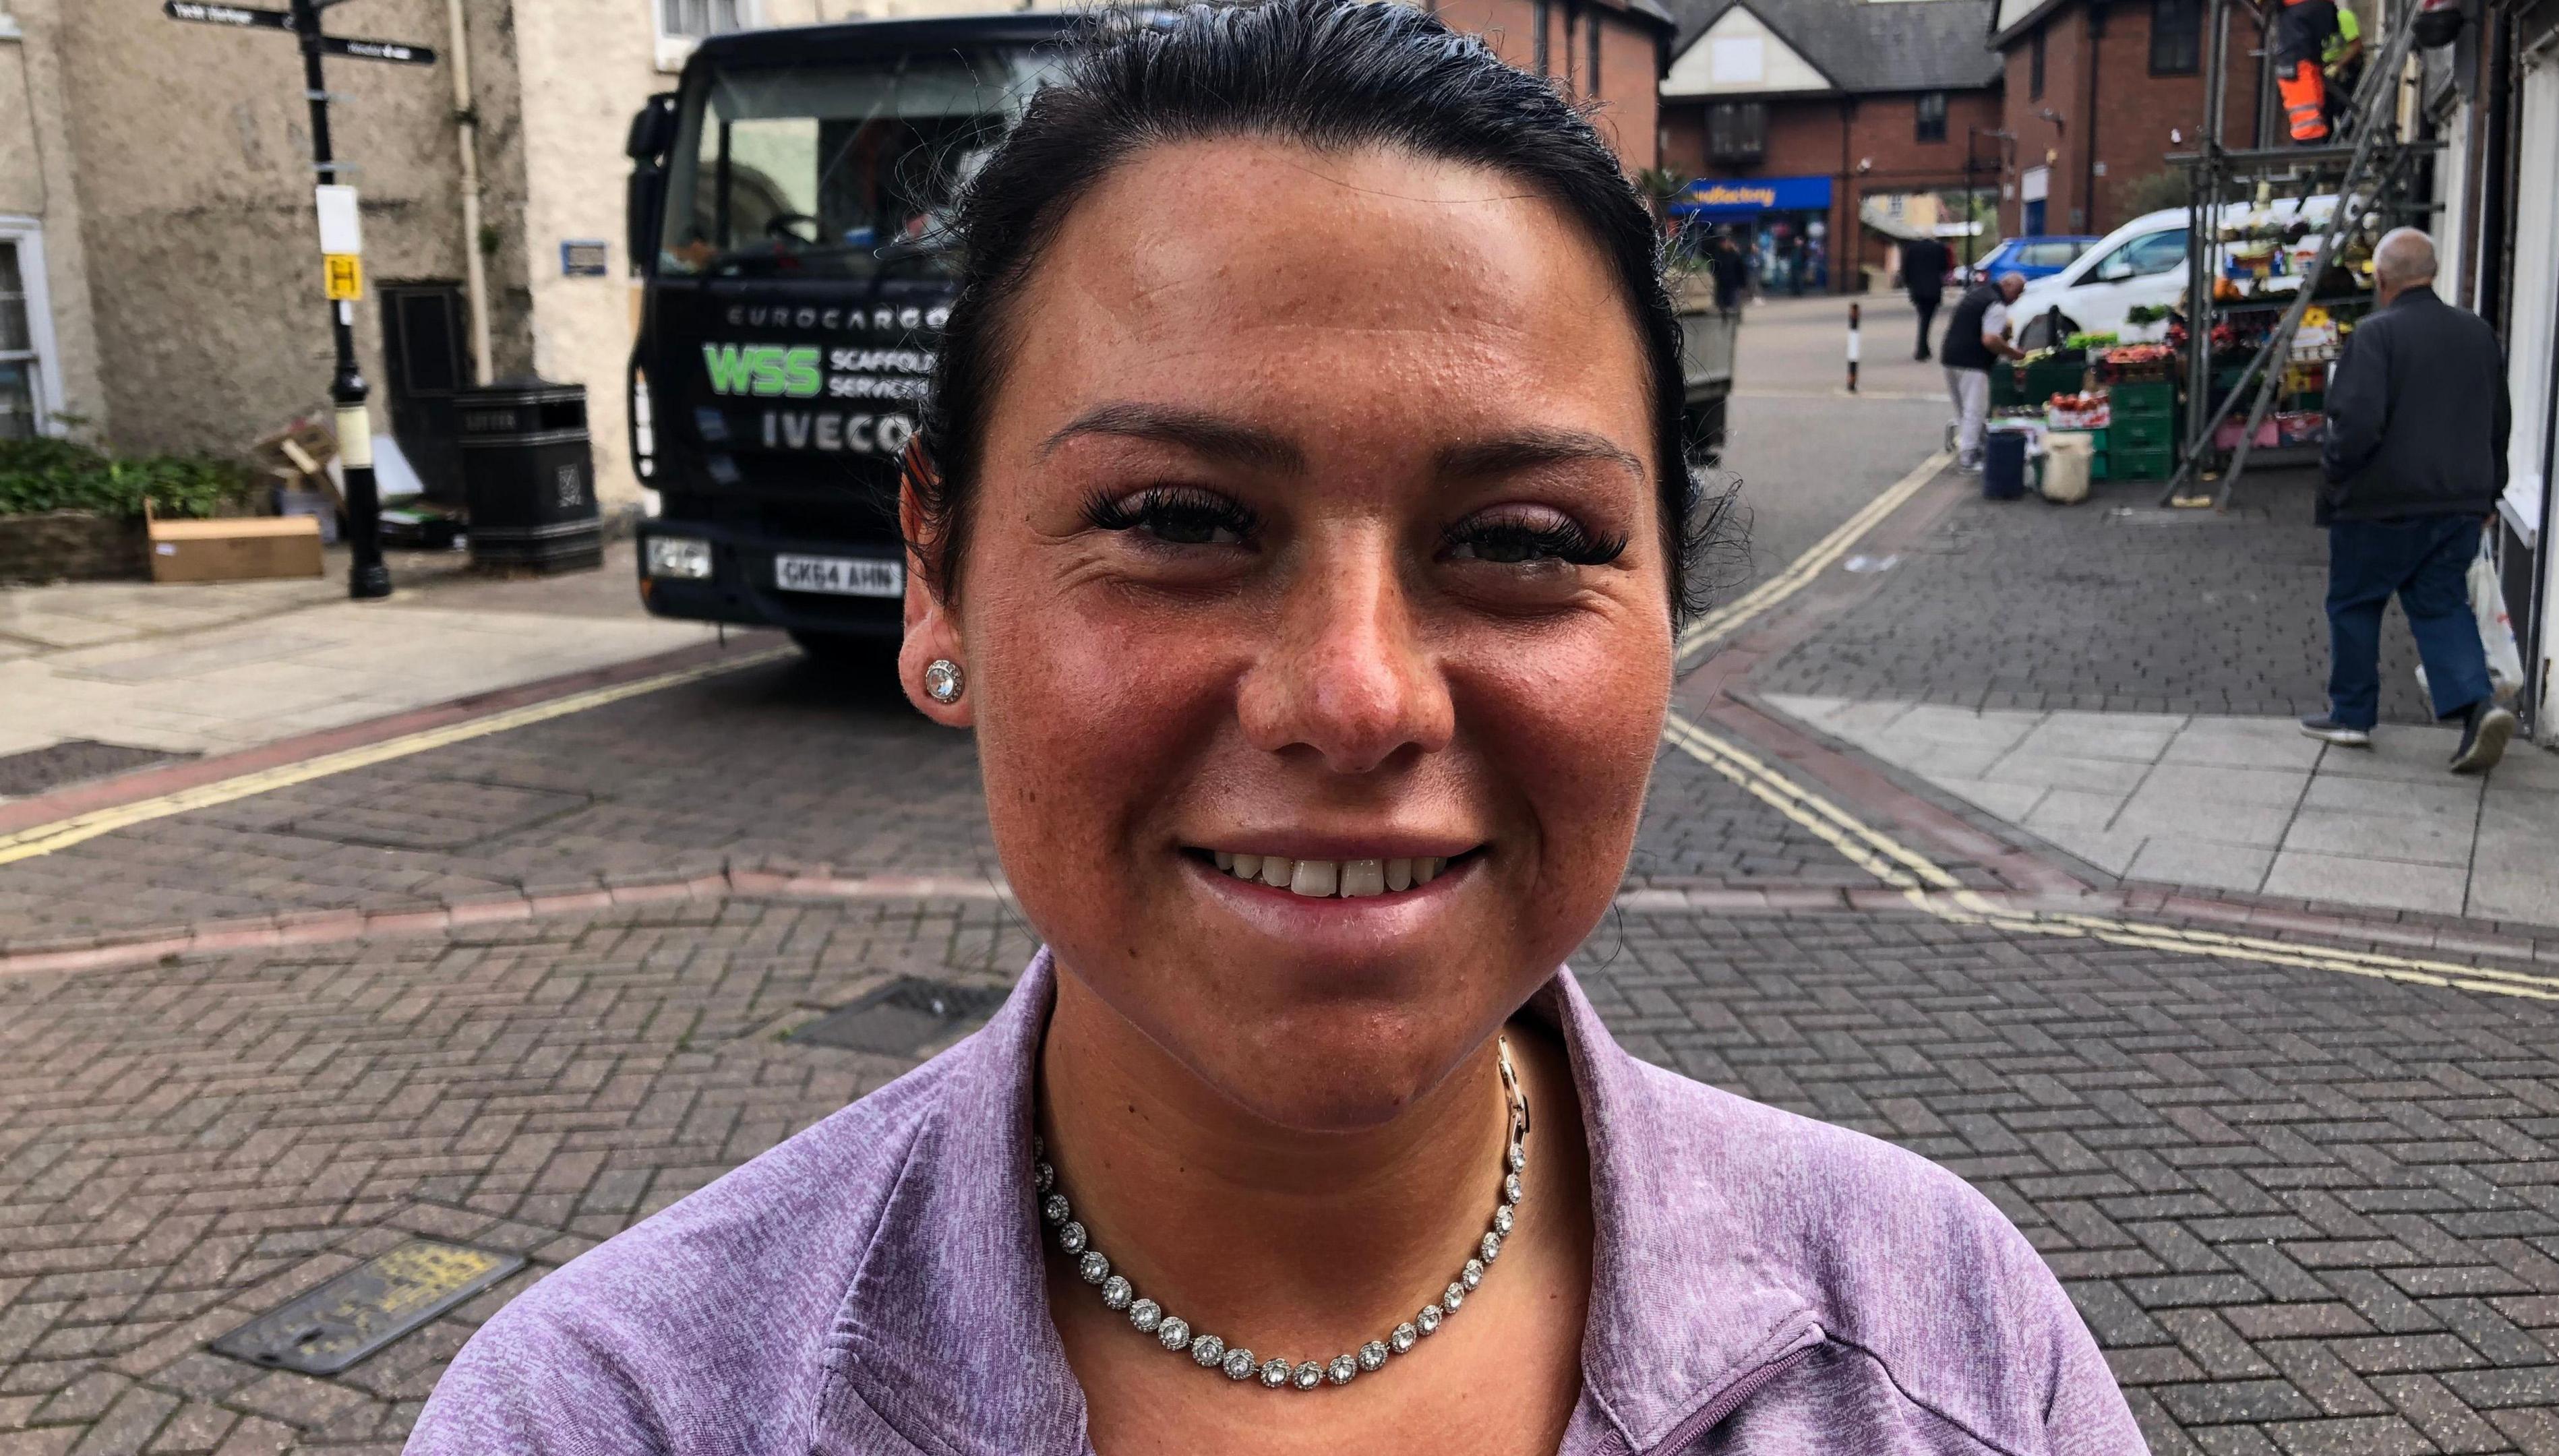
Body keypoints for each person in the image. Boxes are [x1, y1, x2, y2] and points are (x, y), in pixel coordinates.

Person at [404, 5, 2146, 1453]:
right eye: (1176, 520)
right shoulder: (615, 1407)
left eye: (1525, 543)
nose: (1357, 697)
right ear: (933, 570)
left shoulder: (1941, 1344)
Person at [2308, 227, 2517, 772]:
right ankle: (2476, 709)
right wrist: (2490, 492)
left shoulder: (2376, 336)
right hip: (2457, 505)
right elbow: (2499, 424)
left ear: (2381, 280)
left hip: (2379, 503)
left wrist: (2334, 477)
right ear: (2435, 273)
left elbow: (2355, 424)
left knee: (2354, 602)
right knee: (2441, 605)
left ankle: (2352, 714)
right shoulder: (2478, 335)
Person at [1941, 271, 2026, 472]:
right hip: (1973, 361)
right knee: (1975, 410)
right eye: (2018, 292)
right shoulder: (1996, 305)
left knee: (1963, 410)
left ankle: (1977, 447)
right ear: (2008, 286)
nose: (2018, 298)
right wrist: (2013, 353)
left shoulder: (1977, 294)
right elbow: (1990, 339)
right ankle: (1968, 459)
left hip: (1950, 357)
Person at [2276, 0, 2341, 142]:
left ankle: (2309, 133)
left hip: (2298, 8)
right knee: (2310, 65)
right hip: (2320, 8)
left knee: (2294, 68)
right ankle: (2316, 127)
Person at [1900, 235, 1954, 361]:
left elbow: (1906, 270)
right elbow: (1944, 267)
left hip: (1917, 289)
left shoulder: (1912, 249)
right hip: (1933, 289)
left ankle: (1924, 348)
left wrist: (1909, 285)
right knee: (1926, 319)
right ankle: (1922, 349)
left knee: (1923, 317)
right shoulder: (1939, 249)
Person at [1703, 225, 1748, 315]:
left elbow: (1741, 269)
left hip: (1734, 284)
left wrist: (1743, 284)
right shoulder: (1717, 255)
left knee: (1734, 304)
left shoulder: (1735, 255)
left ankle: (1734, 318)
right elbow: (1714, 268)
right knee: (1722, 304)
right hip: (1722, 283)